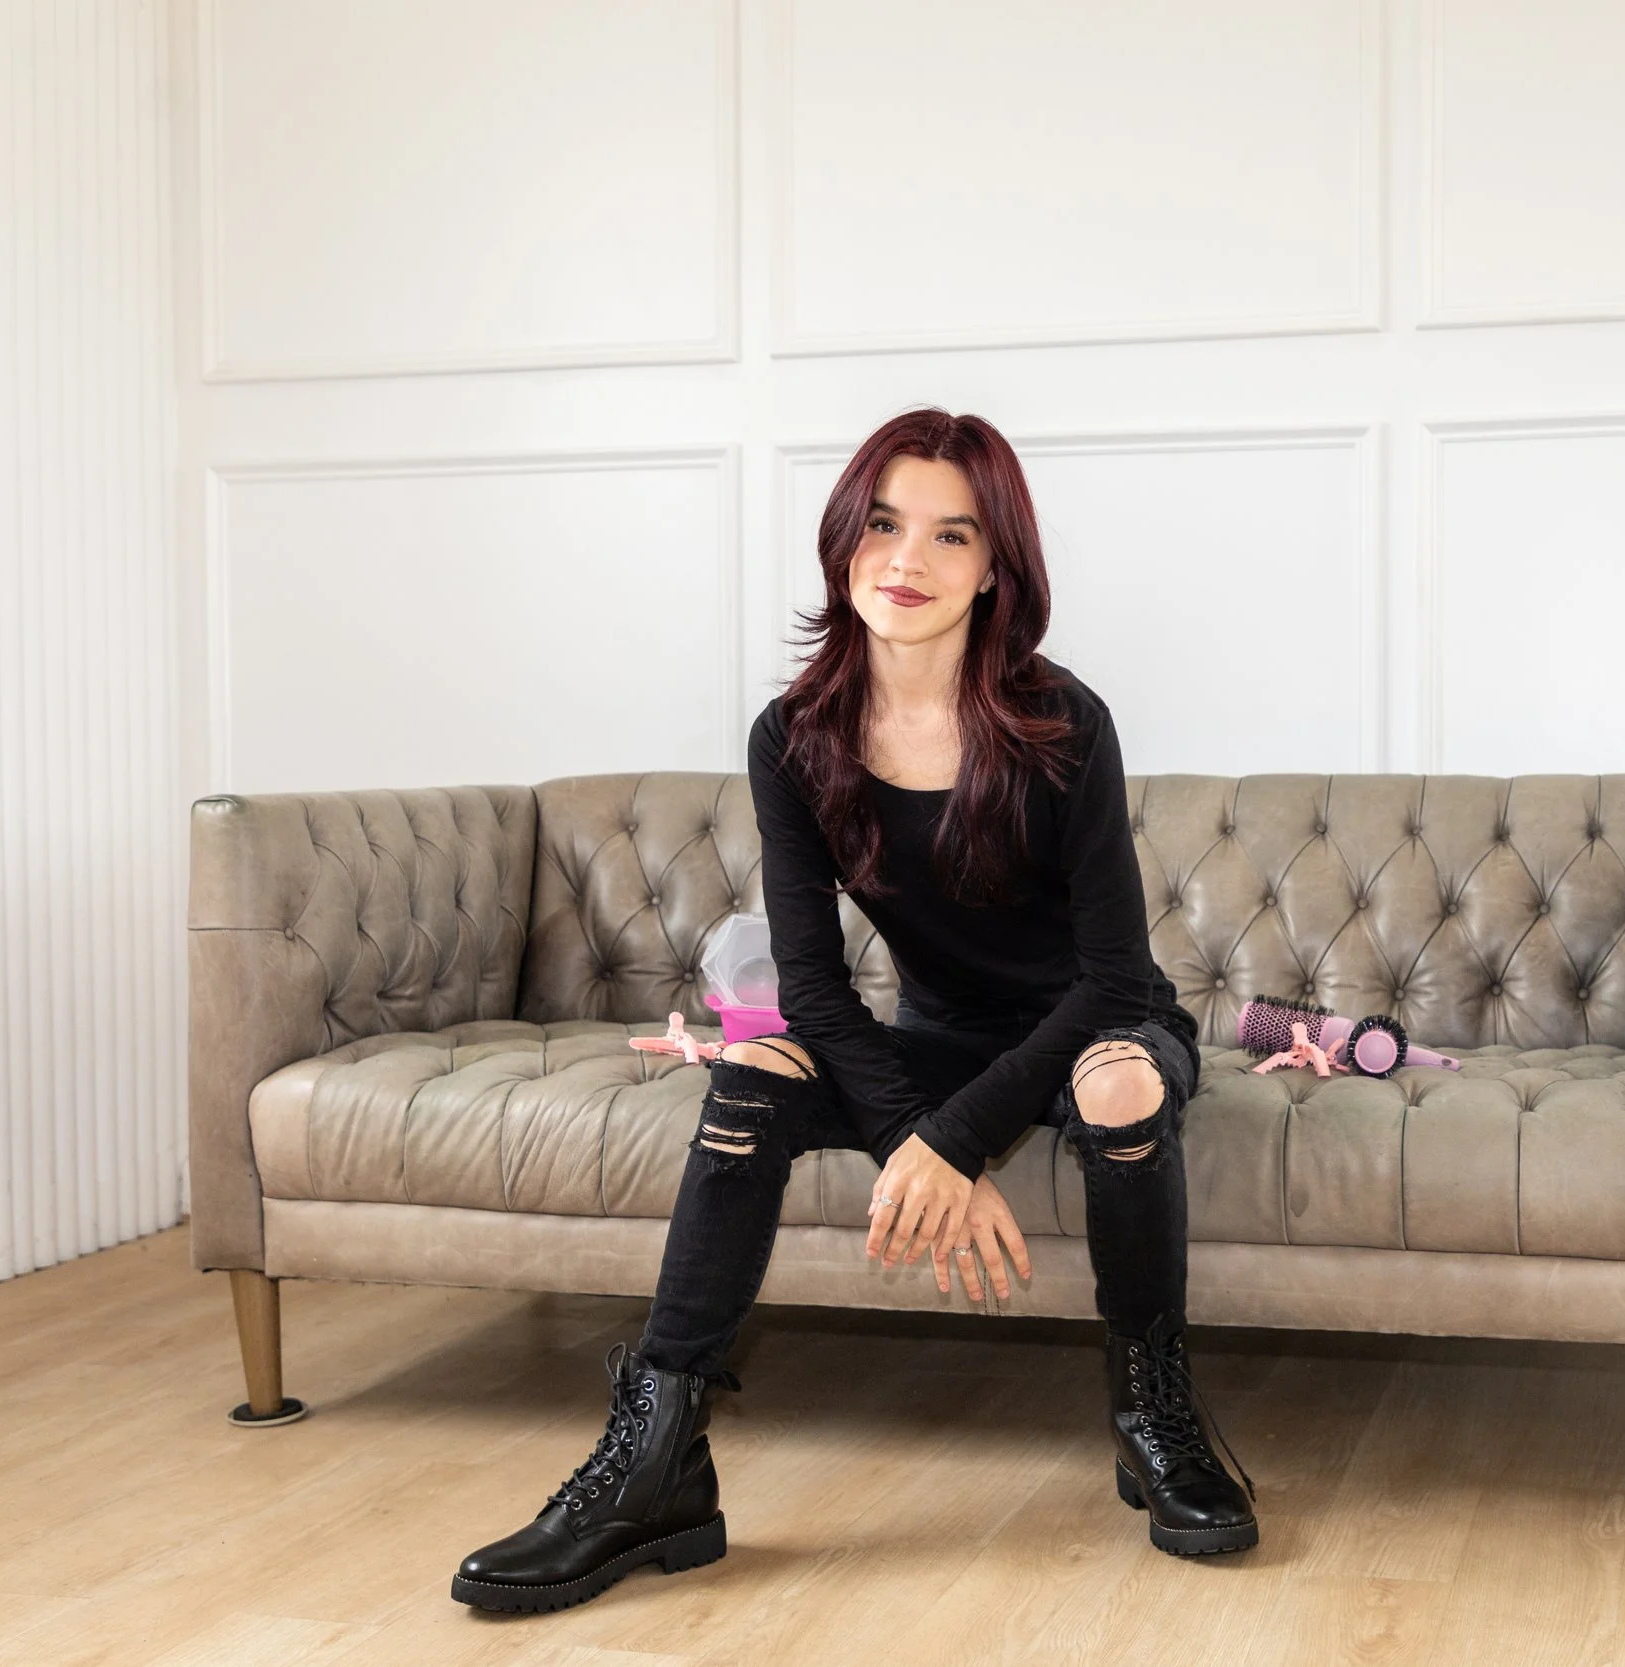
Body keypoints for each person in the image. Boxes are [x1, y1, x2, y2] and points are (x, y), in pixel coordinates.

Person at [450, 409, 1257, 1614]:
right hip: (936, 1034)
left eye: (949, 534)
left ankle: (1156, 1409)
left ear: (996, 568)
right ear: (843, 539)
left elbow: (1106, 976)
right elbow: (816, 988)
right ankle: (657, 1450)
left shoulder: (1064, 724)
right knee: (755, 1071)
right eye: (882, 523)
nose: (905, 560)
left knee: (1122, 1081)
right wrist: (910, 1133)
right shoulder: (794, 738)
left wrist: (953, 1138)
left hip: (1095, 1026)